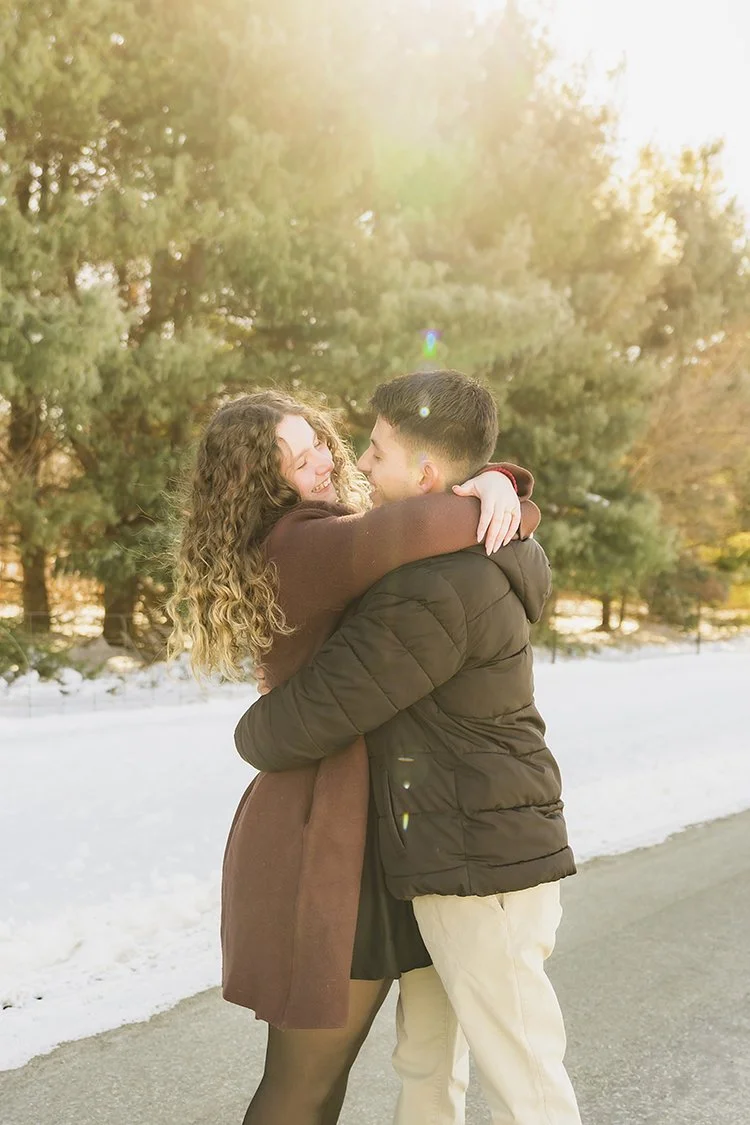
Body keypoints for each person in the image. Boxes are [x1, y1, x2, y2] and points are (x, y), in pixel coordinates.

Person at [167, 383, 541, 1125]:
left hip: (348, 819)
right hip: (317, 833)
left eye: (319, 447)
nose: (327, 466)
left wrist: (495, 479)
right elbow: (430, 521)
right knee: (302, 1081)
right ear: (259, 485)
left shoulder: (326, 528)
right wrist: (508, 490)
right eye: (300, 463)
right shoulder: (302, 542)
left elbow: (418, 518)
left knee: (324, 1079)